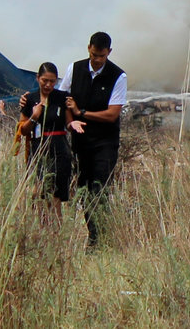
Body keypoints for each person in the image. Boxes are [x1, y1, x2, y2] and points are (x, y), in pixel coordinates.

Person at [60, 31, 127, 246]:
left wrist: (82, 114)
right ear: (89, 48)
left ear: (109, 53)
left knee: (99, 187)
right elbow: (64, 99)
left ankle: (101, 236)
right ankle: (93, 235)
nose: (97, 60)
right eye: (94, 54)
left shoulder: (118, 76)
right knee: (85, 188)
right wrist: (71, 122)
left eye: (102, 56)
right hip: (81, 141)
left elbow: (112, 114)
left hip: (105, 142)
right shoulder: (75, 69)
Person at [20, 62, 85, 216]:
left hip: (59, 149)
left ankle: (55, 230)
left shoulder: (62, 97)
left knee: (55, 193)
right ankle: (39, 226)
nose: (48, 85)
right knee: (37, 191)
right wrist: (34, 116)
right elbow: (22, 129)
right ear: (37, 78)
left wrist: (73, 124)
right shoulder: (30, 99)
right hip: (37, 148)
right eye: (44, 80)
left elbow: (68, 123)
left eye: (52, 81)